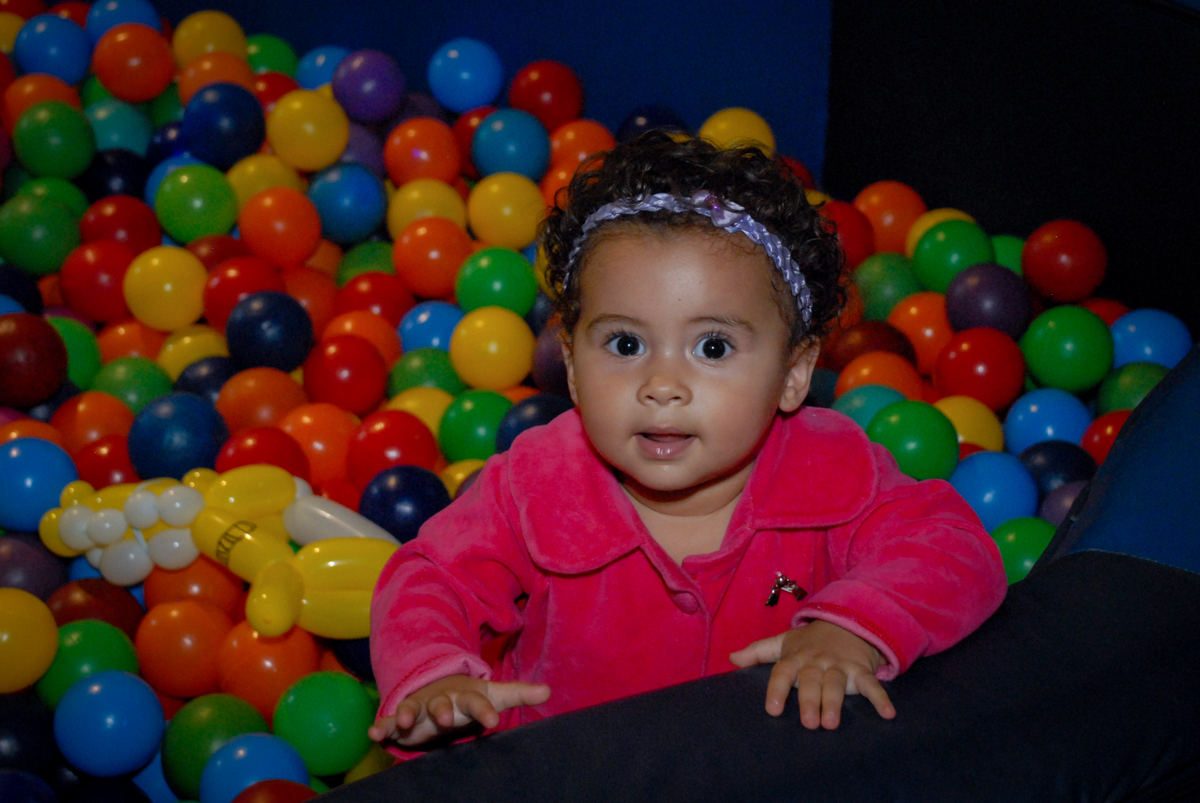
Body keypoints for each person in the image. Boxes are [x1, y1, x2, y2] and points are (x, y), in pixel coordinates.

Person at [369, 131, 1007, 753]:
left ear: (793, 374)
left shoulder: (832, 469)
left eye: (713, 347)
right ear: (569, 361)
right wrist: (435, 676)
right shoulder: (535, 485)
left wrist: (853, 630)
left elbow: (953, 548)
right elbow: (429, 580)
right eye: (625, 344)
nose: (662, 385)